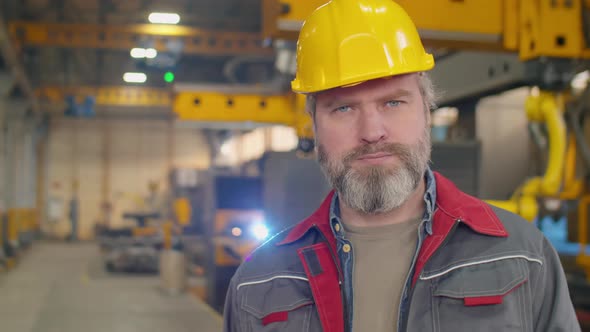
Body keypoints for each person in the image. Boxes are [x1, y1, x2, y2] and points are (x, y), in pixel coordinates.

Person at [223, 0, 581, 331]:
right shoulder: (258, 284)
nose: (372, 132)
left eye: (393, 102)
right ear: (314, 127)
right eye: (343, 108)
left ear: (427, 110)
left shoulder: (523, 257)